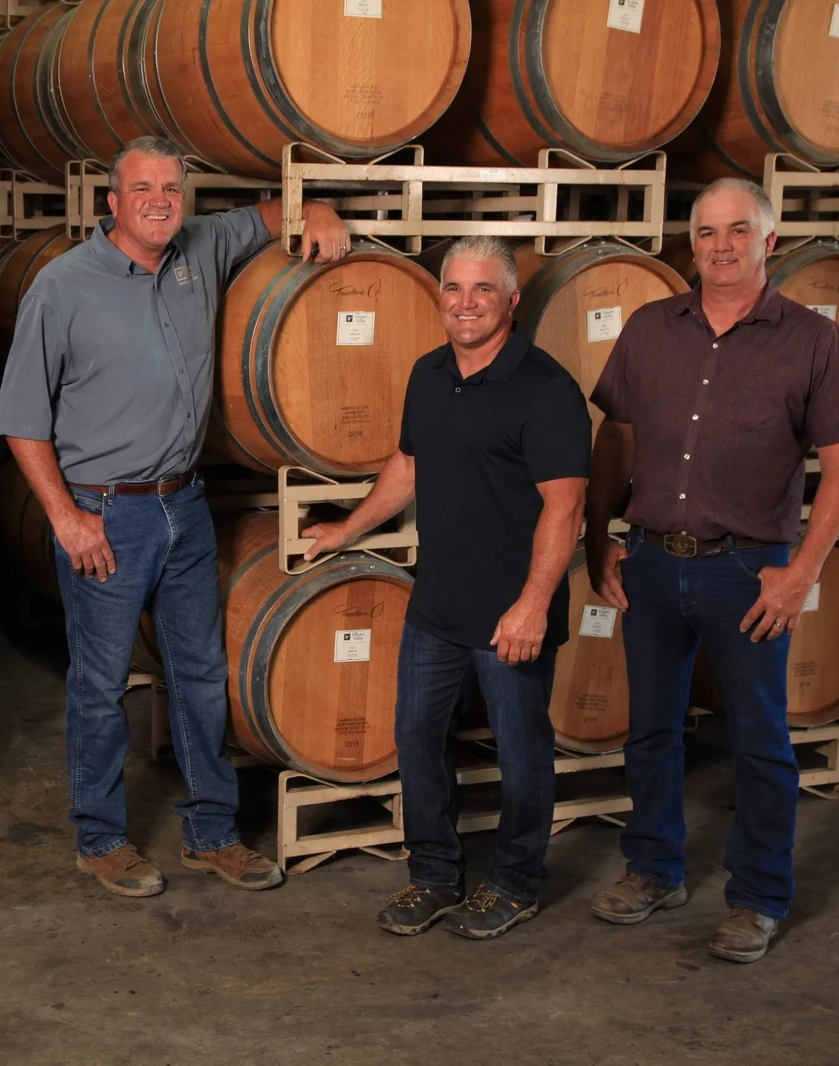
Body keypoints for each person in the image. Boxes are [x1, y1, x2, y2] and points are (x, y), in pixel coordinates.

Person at [0, 135, 350, 897]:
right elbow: (22, 421)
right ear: (111, 202)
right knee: (98, 683)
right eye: (143, 188)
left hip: (184, 507)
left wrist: (314, 205)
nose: (159, 200)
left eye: (170, 188)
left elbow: (265, 212)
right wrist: (64, 517)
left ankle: (212, 835)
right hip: (103, 515)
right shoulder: (62, 286)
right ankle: (101, 840)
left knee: (197, 674)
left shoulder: (200, 248)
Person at [584, 177, 839, 963]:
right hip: (647, 562)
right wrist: (593, 539)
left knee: (759, 741)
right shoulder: (649, 329)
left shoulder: (814, 340)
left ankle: (757, 896)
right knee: (649, 731)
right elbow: (617, 441)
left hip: (747, 573)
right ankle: (652, 868)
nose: (721, 246)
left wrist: (801, 570)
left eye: (738, 230)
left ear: (768, 241)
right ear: (691, 243)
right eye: (707, 232)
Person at [302, 235, 591, 940]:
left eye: (482, 289)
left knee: (522, 754)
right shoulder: (429, 374)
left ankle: (516, 883)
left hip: (508, 615)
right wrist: (349, 527)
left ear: (511, 300)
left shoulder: (546, 389)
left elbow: (566, 507)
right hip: (435, 604)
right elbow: (406, 465)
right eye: (454, 289)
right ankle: (432, 875)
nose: (465, 303)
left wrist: (530, 604)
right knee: (417, 738)